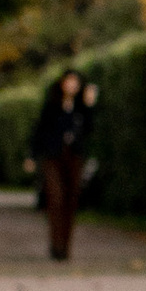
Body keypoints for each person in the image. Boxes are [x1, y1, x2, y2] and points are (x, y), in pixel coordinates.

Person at [30, 67, 98, 264]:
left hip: (74, 157)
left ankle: (65, 247)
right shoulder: (52, 105)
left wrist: (89, 105)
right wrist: (32, 155)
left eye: (75, 82)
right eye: (68, 81)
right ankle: (55, 244)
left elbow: (89, 130)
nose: (71, 85)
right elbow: (39, 130)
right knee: (55, 198)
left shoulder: (81, 108)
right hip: (53, 156)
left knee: (71, 200)